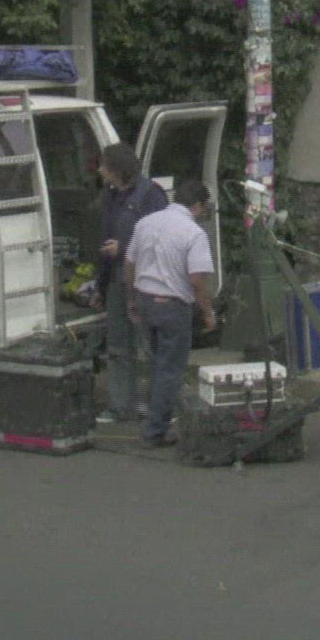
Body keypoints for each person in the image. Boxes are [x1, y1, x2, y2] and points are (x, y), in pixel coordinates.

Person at [122, 177, 216, 447]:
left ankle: (157, 417)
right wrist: (208, 312)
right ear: (198, 205)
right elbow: (197, 279)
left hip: (144, 299)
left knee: (156, 364)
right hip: (172, 306)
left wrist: (131, 299)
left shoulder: (146, 222)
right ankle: (155, 431)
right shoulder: (194, 233)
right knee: (169, 370)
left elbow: (129, 264)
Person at [93, 143, 167, 424]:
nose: (99, 170)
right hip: (117, 281)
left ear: (116, 169)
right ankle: (119, 406)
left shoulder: (151, 195)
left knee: (146, 346)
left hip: (146, 283)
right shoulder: (110, 196)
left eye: (103, 165)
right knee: (117, 347)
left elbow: (162, 238)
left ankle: (150, 406)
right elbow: (105, 240)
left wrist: (124, 249)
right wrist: (100, 287)